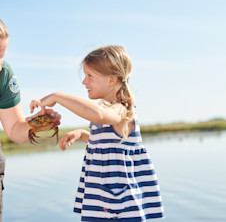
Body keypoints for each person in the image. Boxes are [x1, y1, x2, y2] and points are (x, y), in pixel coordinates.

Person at [30, 45, 164, 221]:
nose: (84, 82)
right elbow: (110, 146)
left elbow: (98, 115)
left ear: (111, 80)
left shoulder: (121, 110)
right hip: (99, 201)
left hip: (120, 206)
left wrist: (58, 97)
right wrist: (83, 134)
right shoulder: (105, 111)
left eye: (90, 76)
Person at [0, 19, 61, 221]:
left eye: (2, 53)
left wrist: (40, 121)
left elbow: (15, 130)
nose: (0, 62)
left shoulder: (4, 73)